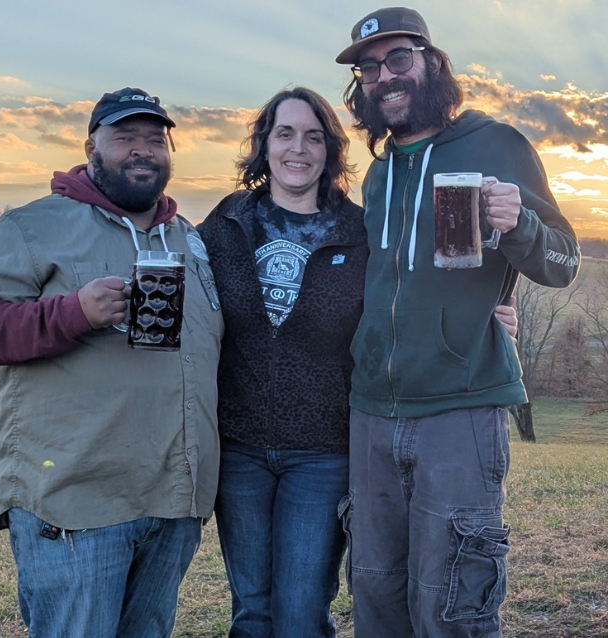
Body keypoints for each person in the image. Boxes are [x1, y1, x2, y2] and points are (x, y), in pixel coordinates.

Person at [0, 87, 223, 638]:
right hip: (75, 506)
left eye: (154, 139)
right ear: (91, 144)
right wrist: (71, 314)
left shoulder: (189, 240)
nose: (142, 150)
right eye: (125, 138)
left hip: (171, 503)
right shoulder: (33, 227)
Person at [334, 7, 582, 638]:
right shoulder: (379, 172)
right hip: (371, 411)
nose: (383, 76)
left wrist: (518, 224)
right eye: (368, 68)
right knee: (376, 593)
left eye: (398, 59)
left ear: (430, 62)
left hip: (461, 409)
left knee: (451, 604)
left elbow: (563, 261)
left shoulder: (496, 143)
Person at [197, 87, 365, 638]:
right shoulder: (227, 222)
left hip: (321, 453)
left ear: (330, 151)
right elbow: (174, 284)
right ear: (264, 145)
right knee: (252, 612)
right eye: (285, 133)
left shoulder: (359, 233)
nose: (299, 148)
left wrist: (490, 313)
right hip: (238, 448)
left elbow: (404, 303)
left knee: (299, 615)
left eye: (314, 136)